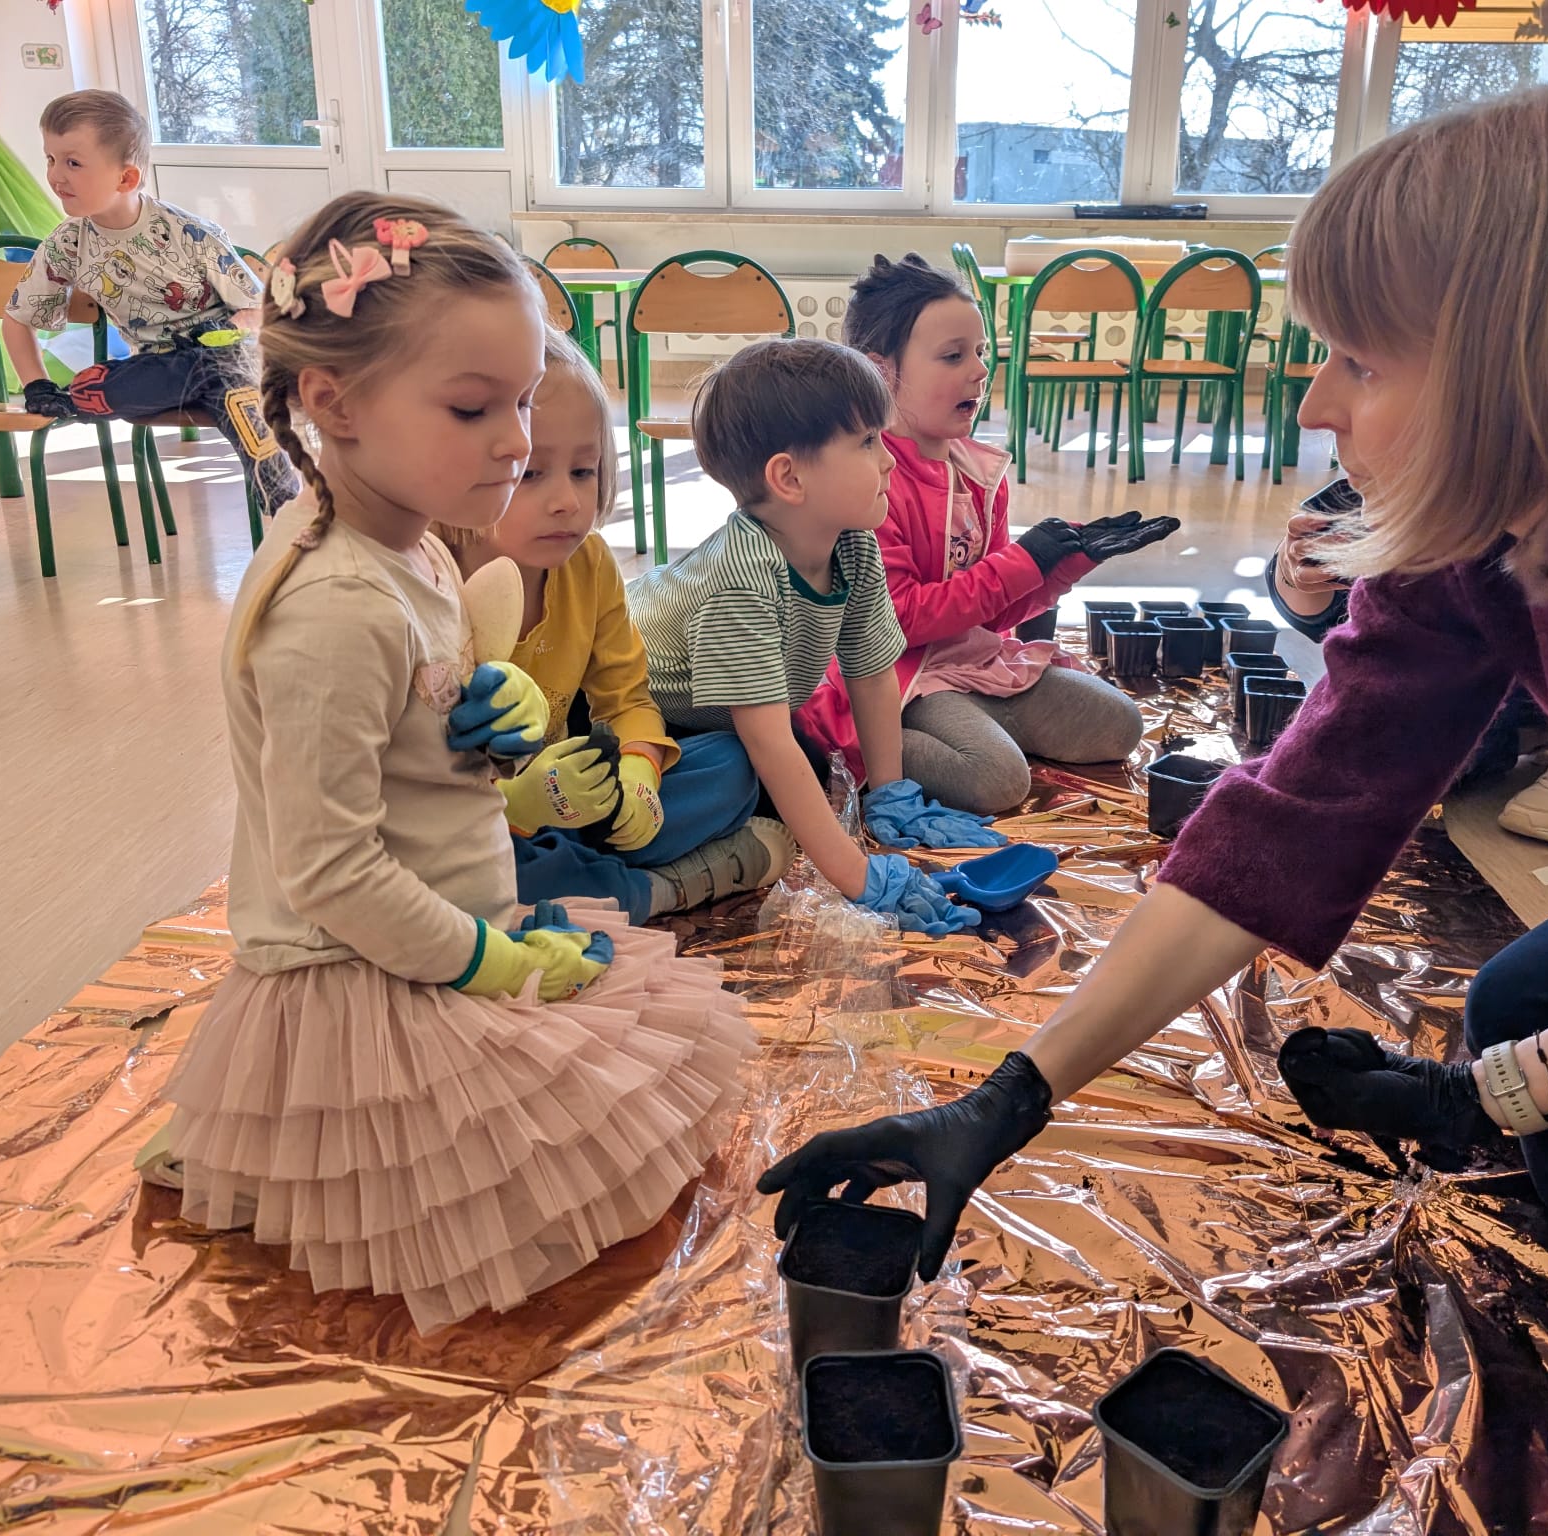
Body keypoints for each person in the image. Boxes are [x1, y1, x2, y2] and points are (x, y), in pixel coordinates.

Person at [758, 81, 1548, 1286]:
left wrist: (1495, 1095)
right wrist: (1011, 1094)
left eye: (1363, 362)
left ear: (1533, 367)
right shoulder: (1490, 507)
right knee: (1519, 1008)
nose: (1316, 402)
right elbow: (1300, 812)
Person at [146, 193, 751, 1334]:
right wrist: (485, 960)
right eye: (477, 408)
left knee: (625, 1101)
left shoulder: (410, 540)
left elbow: (416, 712)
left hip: (452, 905)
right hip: (368, 965)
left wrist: (491, 711)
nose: (517, 442)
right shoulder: (331, 608)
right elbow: (330, 870)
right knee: (549, 1179)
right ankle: (264, 1141)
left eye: (520, 400)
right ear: (334, 402)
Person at [624, 338, 993, 937]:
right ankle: (650, 875)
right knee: (741, 772)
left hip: (716, 718)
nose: (890, 460)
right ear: (789, 477)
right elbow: (768, 744)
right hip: (623, 718)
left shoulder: (853, 542)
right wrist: (858, 877)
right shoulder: (742, 581)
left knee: (808, 770)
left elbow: (871, 674)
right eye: (867, 442)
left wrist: (891, 794)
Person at [795, 254, 1178, 815]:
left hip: (968, 662)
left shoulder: (980, 473)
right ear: (881, 373)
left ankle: (971, 726)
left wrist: (1061, 567)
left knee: (1119, 725)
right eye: (953, 356)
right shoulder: (869, 482)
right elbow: (897, 622)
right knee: (997, 782)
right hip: (896, 677)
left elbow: (991, 615)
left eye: (980, 352)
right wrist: (1024, 562)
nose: (979, 370)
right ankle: (855, 745)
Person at [437, 329, 797, 921]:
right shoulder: (430, 579)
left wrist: (640, 770)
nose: (567, 501)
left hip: (577, 802)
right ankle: (662, 890)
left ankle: (593, 879)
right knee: (482, 873)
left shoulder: (589, 562)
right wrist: (515, 806)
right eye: (531, 474)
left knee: (733, 763)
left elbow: (626, 697)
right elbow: (412, 790)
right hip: (474, 826)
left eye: (584, 471)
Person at [3, 90, 300, 514]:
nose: (55, 176)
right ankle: (196, 372)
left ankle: (288, 511)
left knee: (236, 391)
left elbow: (263, 310)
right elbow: (18, 318)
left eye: (73, 163)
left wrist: (227, 330)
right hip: (158, 373)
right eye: (50, 159)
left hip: (230, 359)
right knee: (89, 389)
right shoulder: (66, 244)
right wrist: (36, 385)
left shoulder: (190, 233)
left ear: (126, 179)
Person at [1269, 477, 1548, 845]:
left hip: (1545, 672)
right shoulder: (1378, 481)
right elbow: (1314, 603)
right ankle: (1531, 728)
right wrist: (1296, 572)